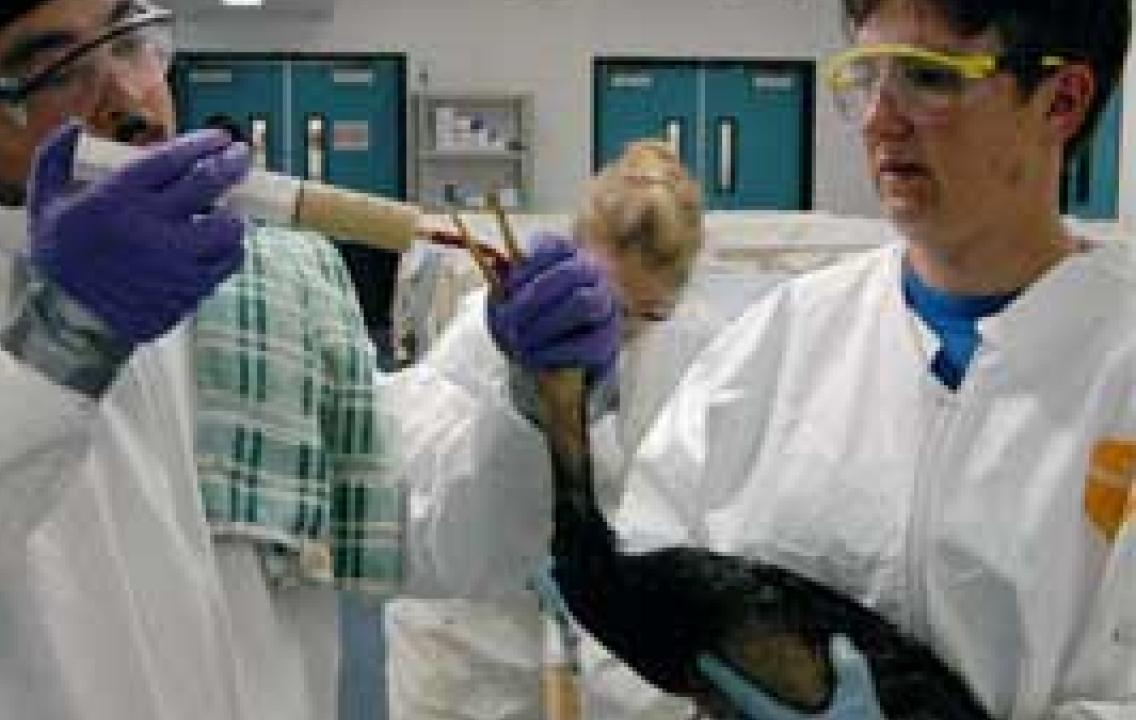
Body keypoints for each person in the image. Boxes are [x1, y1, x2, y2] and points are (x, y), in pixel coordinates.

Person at [0, 0, 550, 718]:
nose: (127, 100)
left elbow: (435, 534)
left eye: (130, 41)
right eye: (55, 69)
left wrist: (535, 401)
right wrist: (60, 341)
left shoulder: (268, 283)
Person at [485, 0, 1136, 718]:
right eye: (865, 77)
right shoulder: (778, 346)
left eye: (928, 77)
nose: (879, 120)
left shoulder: (1119, 369)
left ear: (1061, 101)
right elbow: (635, 616)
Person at [387, 140, 781, 720]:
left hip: (614, 631)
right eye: (608, 307)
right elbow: (429, 490)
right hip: (470, 640)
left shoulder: (701, 352)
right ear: (577, 254)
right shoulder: (490, 333)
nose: (618, 332)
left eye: (645, 315)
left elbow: (698, 498)